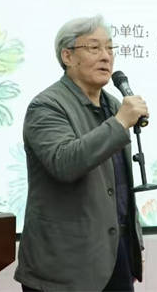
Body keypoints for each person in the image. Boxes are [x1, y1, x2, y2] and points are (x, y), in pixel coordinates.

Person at [15, 15, 148, 292]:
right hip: (64, 268)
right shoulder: (46, 106)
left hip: (115, 258)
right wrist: (120, 123)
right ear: (67, 56)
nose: (106, 56)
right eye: (94, 48)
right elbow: (64, 163)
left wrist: (134, 245)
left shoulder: (113, 106)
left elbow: (119, 188)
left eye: (109, 48)